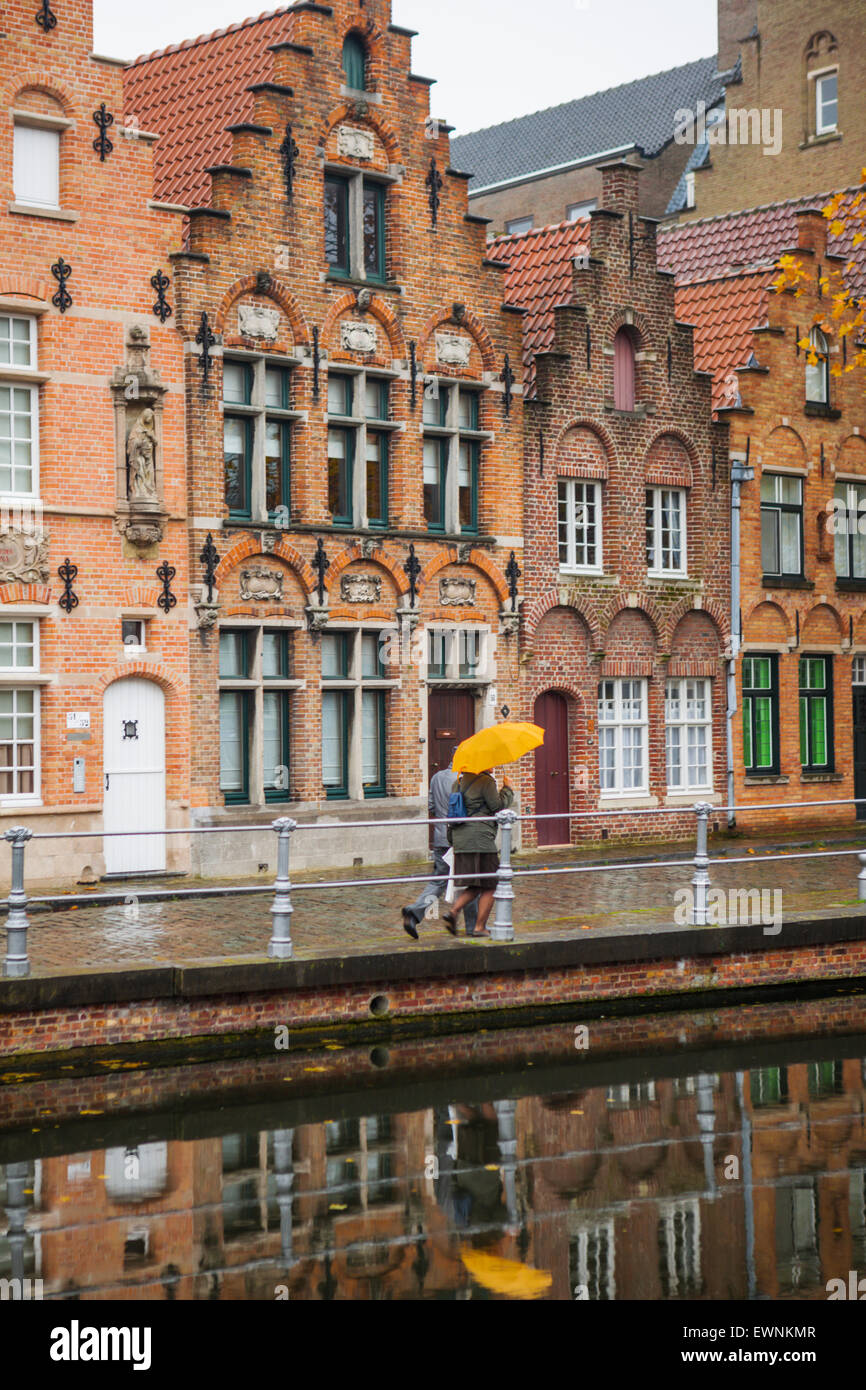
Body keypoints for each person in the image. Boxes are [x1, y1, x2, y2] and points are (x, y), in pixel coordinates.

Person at [402, 753, 477, 940]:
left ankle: (414, 912)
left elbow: (431, 806)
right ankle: (472, 927)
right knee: (471, 882)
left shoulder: (436, 777)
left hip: (440, 837)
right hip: (460, 837)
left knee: (438, 880)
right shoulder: (465, 780)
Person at [444, 769, 514, 938]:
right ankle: (479, 927)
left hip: (460, 839)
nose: (493, 766)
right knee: (491, 883)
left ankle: (453, 912)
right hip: (480, 840)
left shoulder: (458, 783)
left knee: (476, 884)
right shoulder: (486, 781)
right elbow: (497, 807)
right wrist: (507, 789)